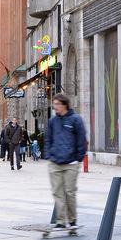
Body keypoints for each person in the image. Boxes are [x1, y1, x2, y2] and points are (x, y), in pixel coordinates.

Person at [45, 94, 88, 229]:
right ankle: (61, 221)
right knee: (57, 192)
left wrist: (78, 158)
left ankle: (73, 220)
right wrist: (49, 155)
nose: (55, 107)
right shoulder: (52, 121)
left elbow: (82, 140)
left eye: (57, 104)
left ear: (65, 105)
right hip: (55, 162)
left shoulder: (76, 119)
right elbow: (48, 139)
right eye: (54, 104)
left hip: (71, 163)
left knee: (69, 192)